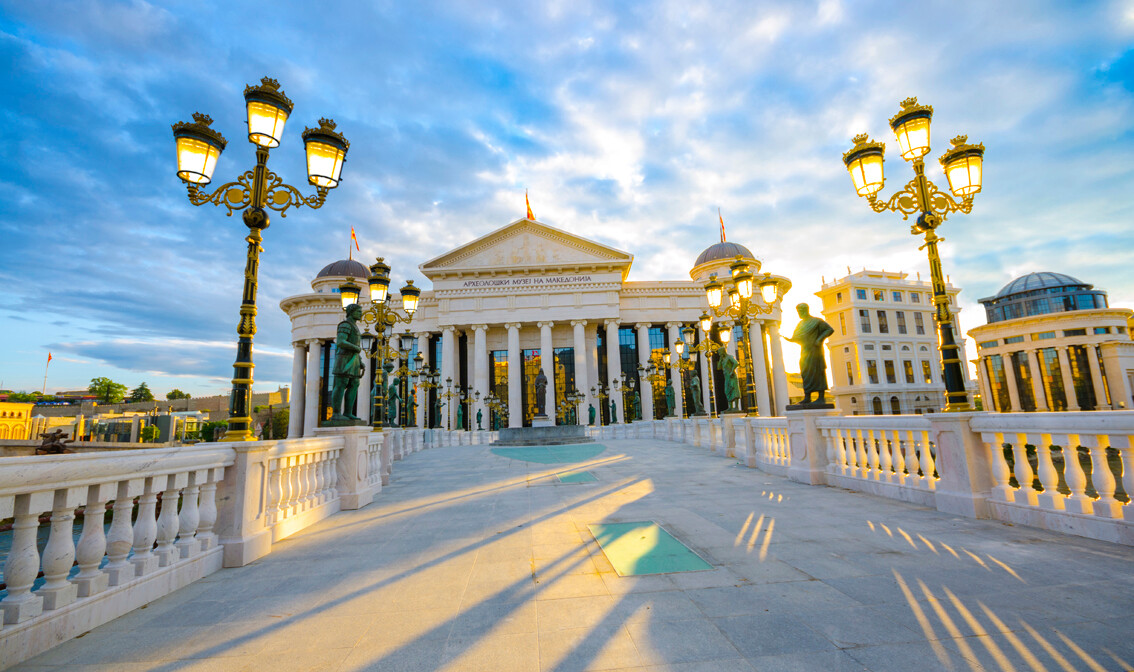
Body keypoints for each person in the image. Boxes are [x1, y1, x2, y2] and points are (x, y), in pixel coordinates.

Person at [785, 303, 836, 404]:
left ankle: (821, 397)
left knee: (818, 371)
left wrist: (819, 339)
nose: (799, 313)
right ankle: (807, 396)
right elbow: (797, 337)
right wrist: (790, 339)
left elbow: (829, 330)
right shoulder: (801, 324)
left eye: (800, 311)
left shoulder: (816, 321)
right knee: (805, 372)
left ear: (806, 310)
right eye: (798, 312)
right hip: (805, 351)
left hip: (815, 351)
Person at [330, 303, 364, 420]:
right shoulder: (345, 325)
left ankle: (348, 412)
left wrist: (360, 360)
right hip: (343, 358)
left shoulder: (355, 326)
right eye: (359, 311)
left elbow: (355, 345)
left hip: (353, 359)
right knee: (341, 384)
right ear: (351, 312)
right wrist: (356, 349)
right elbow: (340, 342)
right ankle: (336, 413)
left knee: (354, 384)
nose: (361, 314)